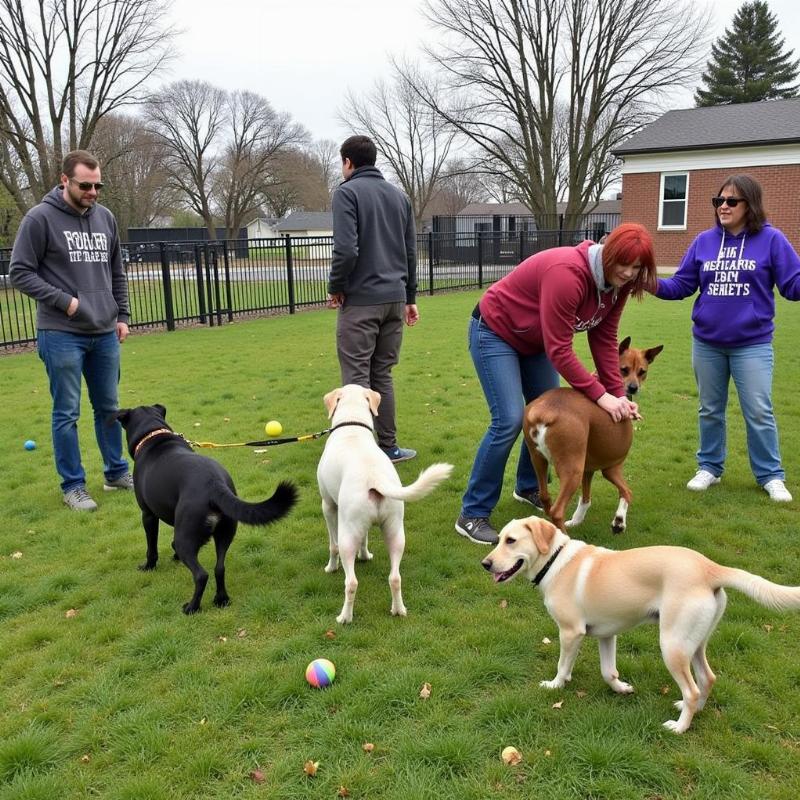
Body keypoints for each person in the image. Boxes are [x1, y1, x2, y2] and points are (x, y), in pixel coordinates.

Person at [456, 223, 656, 545]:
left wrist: (619, 394)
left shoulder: (617, 287)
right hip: (495, 331)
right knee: (509, 418)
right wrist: (602, 397)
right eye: (625, 264)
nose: (630, 273)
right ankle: (473, 513)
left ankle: (528, 487)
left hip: (535, 343)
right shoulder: (568, 273)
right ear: (609, 254)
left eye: (637, 268)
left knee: (544, 412)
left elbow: (604, 339)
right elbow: (560, 350)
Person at [652, 174, 800, 502]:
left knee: (759, 410)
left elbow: (793, 285)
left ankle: (771, 476)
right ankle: (709, 467)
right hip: (707, 343)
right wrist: (650, 283)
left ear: (750, 205)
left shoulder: (772, 240)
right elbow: (681, 285)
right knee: (709, 409)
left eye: (731, 201)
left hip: (753, 344)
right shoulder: (704, 241)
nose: (723, 207)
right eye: (719, 201)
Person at [10, 150, 133, 511]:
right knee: (67, 411)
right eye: (85, 185)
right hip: (61, 331)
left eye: (98, 185)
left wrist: (122, 315)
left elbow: (116, 273)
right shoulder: (39, 219)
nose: (93, 192)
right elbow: (20, 272)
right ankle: (73, 486)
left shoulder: (106, 218)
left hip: (104, 331)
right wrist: (65, 301)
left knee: (109, 406)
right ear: (65, 180)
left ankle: (116, 473)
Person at [327, 134, 418, 463]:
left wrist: (336, 286)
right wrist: (410, 297)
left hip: (362, 301)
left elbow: (346, 249)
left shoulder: (346, 193)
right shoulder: (399, 197)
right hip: (395, 300)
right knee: (382, 375)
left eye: (342, 163)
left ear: (348, 162)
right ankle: (389, 447)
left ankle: (357, 453)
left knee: (355, 377)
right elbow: (410, 252)